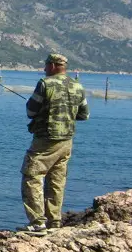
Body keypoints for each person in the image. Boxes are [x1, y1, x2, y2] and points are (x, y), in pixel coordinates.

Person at [20, 53, 90, 235]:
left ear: (52, 66)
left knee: (32, 176)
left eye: (45, 65)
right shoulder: (78, 86)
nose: (44, 69)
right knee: (57, 181)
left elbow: (30, 111)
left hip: (45, 140)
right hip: (67, 141)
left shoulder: (45, 84)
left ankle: (37, 223)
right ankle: (54, 222)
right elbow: (84, 115)